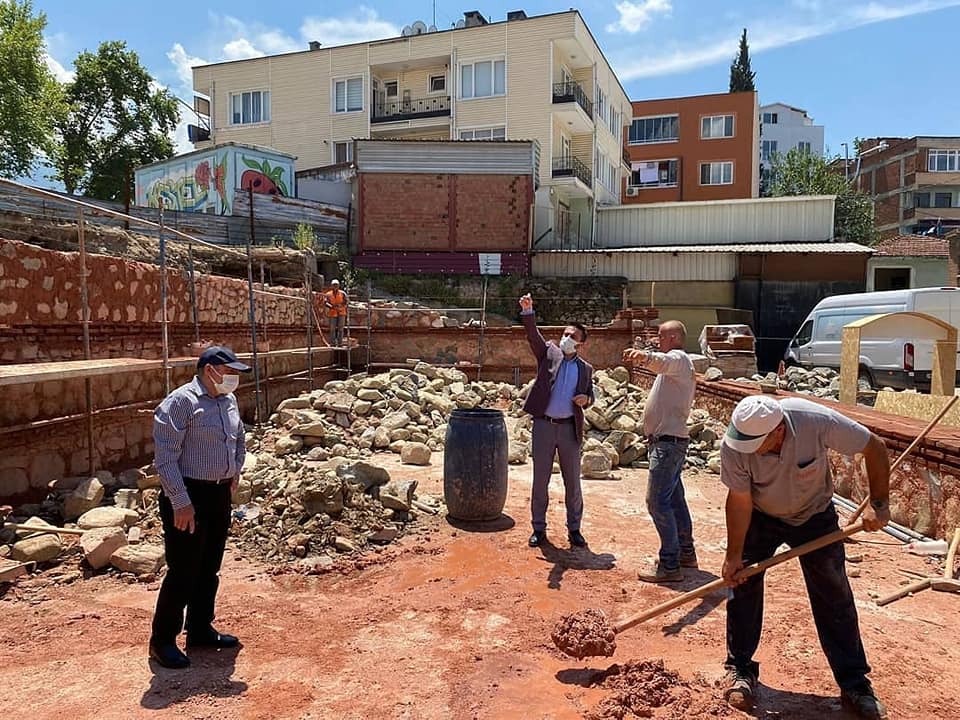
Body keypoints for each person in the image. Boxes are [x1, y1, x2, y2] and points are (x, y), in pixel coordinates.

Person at [720, 394, 891, 719]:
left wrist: (879, 504)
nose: (746, 450)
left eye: (756, 443)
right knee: (743, 584)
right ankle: (740, 669)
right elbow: (740, 500)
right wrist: (734, 556)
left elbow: (875, 447)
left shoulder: (815, 420)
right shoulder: (736, 444)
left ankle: (855, 684)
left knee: (834, 594)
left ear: (778, 431)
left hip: (814, 516)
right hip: (761, 513)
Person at [149, 346, 252, 669]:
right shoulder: (181, 402)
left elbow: (239, 437)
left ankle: (199, 628)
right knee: (183, 570)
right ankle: (162, 641)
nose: (233, 378)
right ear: (210, 370)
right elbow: (165, 458)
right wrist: (181, 502)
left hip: (219, 495)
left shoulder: (227, 400)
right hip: (189, 495)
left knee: (209, 567)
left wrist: (234, 470)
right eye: (229, 371)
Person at [622, 320, 697, 583]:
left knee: (656, 502)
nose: (657, 339)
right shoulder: (677, 366)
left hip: (668, 445)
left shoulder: (678, 359)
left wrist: (643, 355)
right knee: (674, 500)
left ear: (674, 337)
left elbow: (662, 361)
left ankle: (669, 564)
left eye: (661, 335)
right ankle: (686, 554)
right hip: (667, 442)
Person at [519, 293, 595, 549]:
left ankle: (574, 529)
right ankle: (538, 529)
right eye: (565, 333)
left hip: (569, 431)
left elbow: (590, 395)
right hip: (544, 426)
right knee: (540, 481)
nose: (566, 338)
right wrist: (528, 312)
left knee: (572, 482)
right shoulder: (549, 354)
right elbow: (533, 337)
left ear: (581, 343)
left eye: (573, 336)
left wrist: (586, 399)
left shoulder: (586, 369)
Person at [323, 279, 348, 347]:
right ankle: (333, 343)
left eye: (336, 285)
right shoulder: (328, 294)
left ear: (338, 286)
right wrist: (331, 306)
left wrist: (341, 305)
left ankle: (340, 343)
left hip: (341, 312)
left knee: (340, 328)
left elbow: (346, 301)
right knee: (332, 329)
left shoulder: (342, 293)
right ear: (331, 286)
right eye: (334, 285)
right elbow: (325, 302)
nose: (335, 286)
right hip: (332, 313)